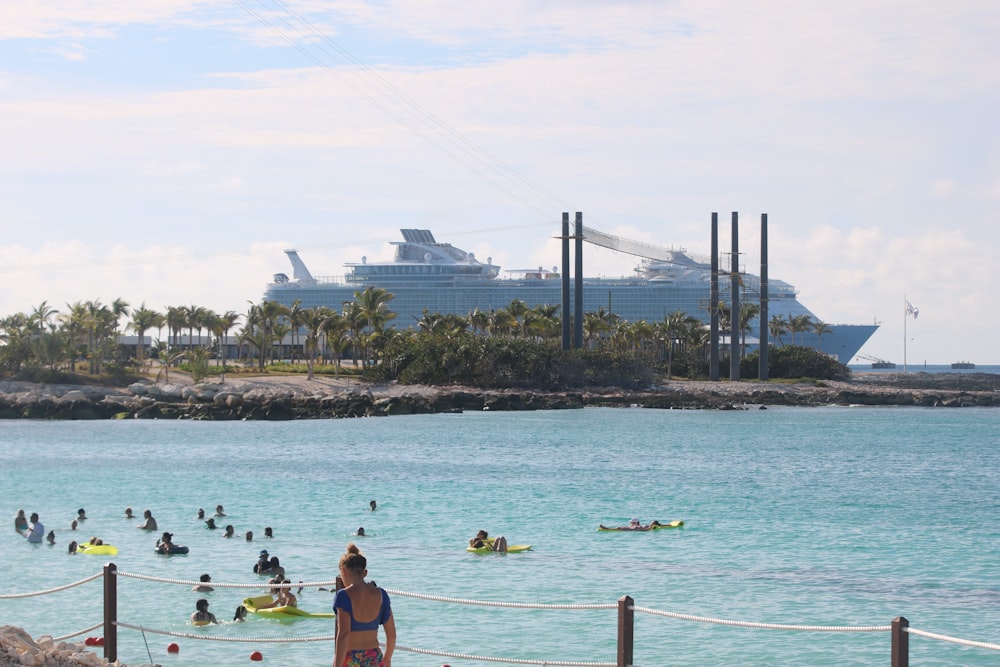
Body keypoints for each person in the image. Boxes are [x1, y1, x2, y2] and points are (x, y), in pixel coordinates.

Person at [333, 543, 395, 667]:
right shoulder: (381, 595)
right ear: (365, 572)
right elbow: (391, 634)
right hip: (374, 657)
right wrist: (387, 658)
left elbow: (344, 634)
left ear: (343, 571)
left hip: (351, 658)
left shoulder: (343, 596)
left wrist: (337, 664)